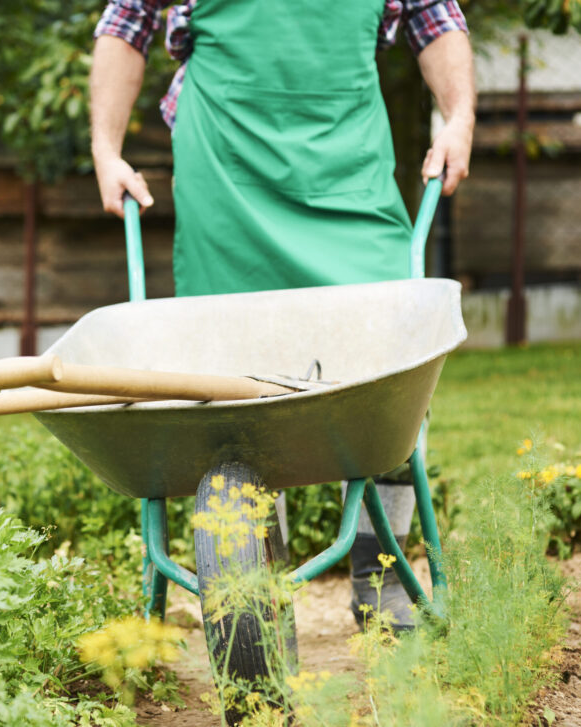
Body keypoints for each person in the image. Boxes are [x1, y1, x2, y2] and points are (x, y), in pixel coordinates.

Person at [89, 0, 475, 629]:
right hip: (228, 180)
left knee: (392, 367)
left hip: (348, 176)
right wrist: (107, 150)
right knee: (232, 394)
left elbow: (436, 18)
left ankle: (382, 577)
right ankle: (255, 588)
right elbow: (125, 22)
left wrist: (458, 119)